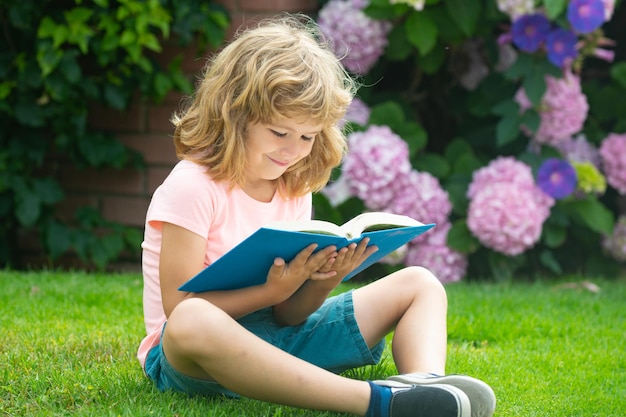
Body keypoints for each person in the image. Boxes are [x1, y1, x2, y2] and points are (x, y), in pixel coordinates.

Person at [138, 13, 496, 417]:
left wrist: (325, 280)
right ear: (234, 115)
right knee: (191, 320)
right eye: (279, 132)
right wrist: (269, 292)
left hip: (278, 340)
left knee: (420, 283)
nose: (292, 150)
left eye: (307, 136)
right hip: (197, 357)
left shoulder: (292, 186)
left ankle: (427, 390)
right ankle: (380, 403)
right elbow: (178, 307)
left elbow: (288, 315)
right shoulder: (193, 185)